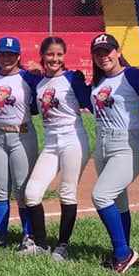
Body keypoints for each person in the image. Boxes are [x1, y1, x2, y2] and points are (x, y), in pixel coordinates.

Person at [23, 37, 92, 261]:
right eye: (50, 54)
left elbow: (90, 101)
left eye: (59, 54)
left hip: (74, 139)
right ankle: (42, 244)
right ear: (42, 55)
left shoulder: (73, 78)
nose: (54, 59)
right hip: (51, 142)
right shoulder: (38, 82)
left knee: (67, 192)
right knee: (32, 193)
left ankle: (63, 245)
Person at [89, 33, 139, 273]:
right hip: (102, 143)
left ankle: (124, 252)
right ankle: (119, 253)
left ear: (118, 51)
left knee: (101, 195)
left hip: (127, 143)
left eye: (108, 51)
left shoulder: (132, 76)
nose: (104, 57)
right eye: (98, 53)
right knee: (119, 199)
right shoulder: (98, 81)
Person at [0, 37, 39, 250]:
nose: (7, 58)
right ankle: (0, 233)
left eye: (11, 54)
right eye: (2, 54)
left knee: (22, 189)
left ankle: (28, 234)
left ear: (19, 56)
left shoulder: (28, 77)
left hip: (21, 135)